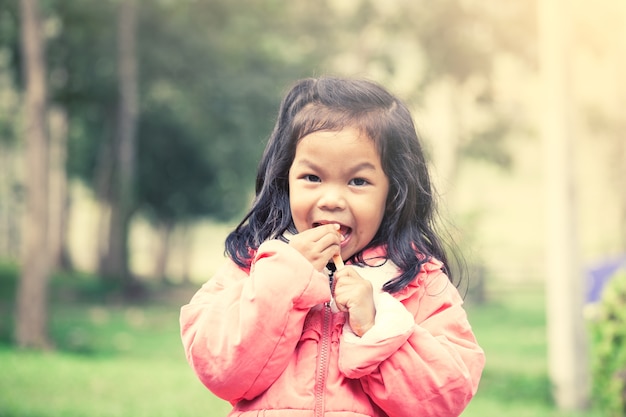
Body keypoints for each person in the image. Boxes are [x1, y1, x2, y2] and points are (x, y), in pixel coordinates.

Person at [180, 76, 485, 417]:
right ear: (285, 179)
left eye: (358, 181)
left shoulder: (417, 279)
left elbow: (446, 398)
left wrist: (374, 326)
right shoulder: (252, 265)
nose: (332, 200)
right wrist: (283, 279)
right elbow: (221, 371)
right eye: (312, 177)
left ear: (393, 192)